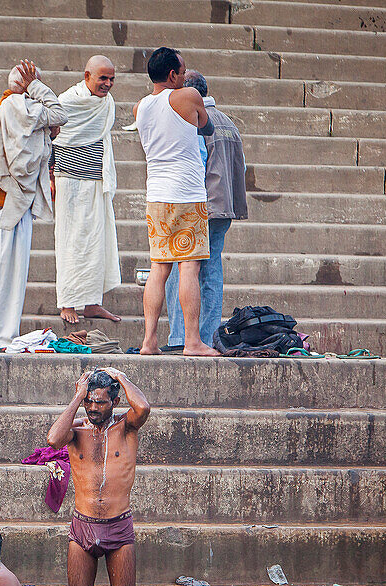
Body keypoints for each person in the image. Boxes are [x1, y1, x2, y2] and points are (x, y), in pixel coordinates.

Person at [46, 368, 150, 586]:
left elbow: (144, 407)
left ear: (114, 403)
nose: (93, 408)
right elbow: (53, 439)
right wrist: (77, 395)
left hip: (119, 528)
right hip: (83, 528)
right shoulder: (77, 430)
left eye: (100, 402)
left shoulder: (126, 427)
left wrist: (123, 378)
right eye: (88, 401)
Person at [133, 47, 220, 357]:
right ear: (172, 75)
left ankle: (149, 341)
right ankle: (193, 341)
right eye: (182, 73)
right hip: (187, 196)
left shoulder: (140, 107)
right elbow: (206, 126)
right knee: (188, 268)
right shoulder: (187, 97)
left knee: (159, 269)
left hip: (156, 196)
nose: (185, 77)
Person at [0, 60, 66, 351]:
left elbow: (51, 127)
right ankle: (0, 338)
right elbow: (59, 113)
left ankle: (1, 336)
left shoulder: (15, 106)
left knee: (7, 271)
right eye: (33, 86)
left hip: (14, 200)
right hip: (11, 200)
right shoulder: (17, 104)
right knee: (6, 271)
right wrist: (36, 85)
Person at [163, 70, 247, 351]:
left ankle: (180, 336)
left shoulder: (195, 120)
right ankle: (209, 335)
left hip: (200, 205)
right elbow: (241, 168)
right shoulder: (228, 122)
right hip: (224, 208)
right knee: (211, 271)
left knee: (182, 269)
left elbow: (195, 163)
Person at [52, 55, 122, 326]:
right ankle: (68, 302)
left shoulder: (107, 104)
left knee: (96, 243)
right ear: (87, 76)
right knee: (70, 242)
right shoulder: (67, 101)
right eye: (102, 78)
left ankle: (92, 303)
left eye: (111, 79)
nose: (107, 84)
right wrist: (50, 174)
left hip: (96, 180)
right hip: (69, 181)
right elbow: (54, 138)